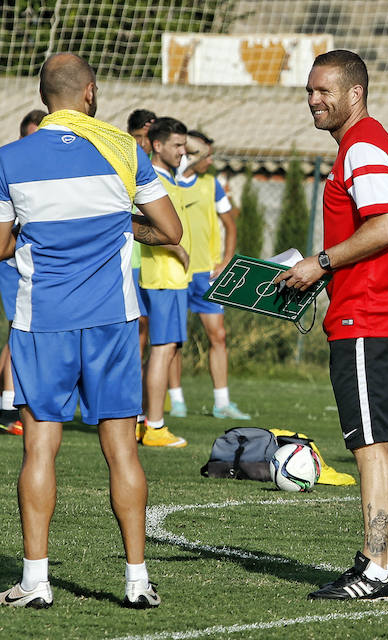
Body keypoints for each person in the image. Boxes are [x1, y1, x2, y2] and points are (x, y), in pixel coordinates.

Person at [0, 52, 182, 608]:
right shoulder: (123, 149)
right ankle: (138, 583)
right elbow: (170, 230)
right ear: (90, 93)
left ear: (45, 97)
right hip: (111, 321)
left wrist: (37, 226)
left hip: (42, 322)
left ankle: (35, 581)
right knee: (122, 452)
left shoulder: (10, 157)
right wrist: (121, 222)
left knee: (39, 450)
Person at [275, 50, 388, 601]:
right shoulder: (367, 144)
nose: (314, 100)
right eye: (309, 91)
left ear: (354, 93)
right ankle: (382, 562)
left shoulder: (361, 145)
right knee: (383, 446)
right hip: (387, 314)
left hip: (370, 316)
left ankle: (376, 568)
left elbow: (386, 226)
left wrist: (322, 262)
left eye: (324, 91)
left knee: (368, 447)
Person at [166, 130, 249, 420]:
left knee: (218, 335)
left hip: (206, 274)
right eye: (207, 154)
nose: (211, 160)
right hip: (174, 271)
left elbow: (231, 224)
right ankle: (176, 402)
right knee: (173, 339)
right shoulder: (168, 180)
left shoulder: (211, 185)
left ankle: (222, 403)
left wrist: (226, 260)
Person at [136, 116, 192, 447]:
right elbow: (143, 223)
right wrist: (175, 247)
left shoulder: (168, 177)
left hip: (170, 277)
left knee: (163, 348)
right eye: (177, 145)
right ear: (157, 145)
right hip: (163, 275)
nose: (183, 151)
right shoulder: (151, 179)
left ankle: (145, 420)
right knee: (163, 348)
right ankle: (154, 425)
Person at [0, 108, 46, 436]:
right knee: (19, 333)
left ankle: (4, 409)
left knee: (17, 334)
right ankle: (10, 411)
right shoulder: (14, 169)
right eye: (28, 137)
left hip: (33, 263)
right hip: (16, 264)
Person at [126, 108, 157, 430]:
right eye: (142, 137)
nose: (146, 144)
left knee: (147, 335)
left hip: (152, 262)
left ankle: (143, 408)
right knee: (131, 334)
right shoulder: (127, 157)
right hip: (132, 260)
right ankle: (130, 410)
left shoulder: (157, 164)